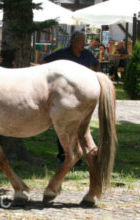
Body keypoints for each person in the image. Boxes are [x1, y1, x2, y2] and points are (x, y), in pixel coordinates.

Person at [43, 31, 99, 166]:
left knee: (80, 126)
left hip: (82, 95)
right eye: (81, 41)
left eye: (84, 41)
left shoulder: (87, 54)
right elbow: (44, 62)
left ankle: (78, 155)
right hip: (66, 95)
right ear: (74, 42)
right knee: (63, 124)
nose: (84, 44)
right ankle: (64, 154)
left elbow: (96, 65)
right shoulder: (63, 54)